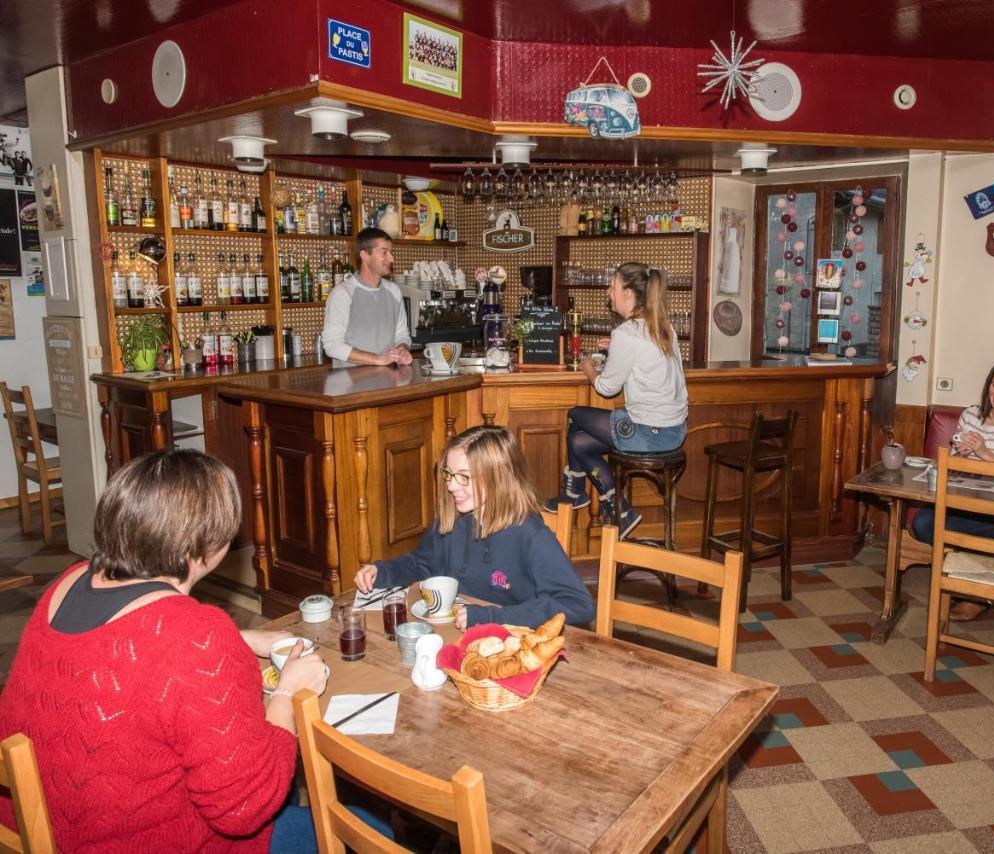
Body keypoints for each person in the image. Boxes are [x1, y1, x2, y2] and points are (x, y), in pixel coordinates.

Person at [0, 450, 335, 852]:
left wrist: (238, 639)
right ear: (211, 543)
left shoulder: (66, 584)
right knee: (358, 826)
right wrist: (287, 692)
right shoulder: (195, 637)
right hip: (146, 843)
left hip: (49, 830)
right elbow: (247, 805)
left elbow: (124, 654)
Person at [355, 425, 595, 630]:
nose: (450, 486)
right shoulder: (454, 518)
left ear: (497, 478)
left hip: (510, 641)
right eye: (448, 474)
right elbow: (423, 563)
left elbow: (579, 605)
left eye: (464, 477)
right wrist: (382, 572)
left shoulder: (531, 535)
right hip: (457, 633)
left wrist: (493, 617)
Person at [545, 262, 688, 536]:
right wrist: (618, 350)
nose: (608, 293)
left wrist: (587, 365)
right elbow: (647, 355)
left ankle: (578, 492)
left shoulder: (626, 333)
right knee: (578, 442)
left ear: (628, 293)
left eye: (612, 286)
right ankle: (615, 506)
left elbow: (607, 388)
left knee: (575, 415)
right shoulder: (661, 326)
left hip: (650, 433)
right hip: (675, 431)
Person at [910, 357, 994, 620]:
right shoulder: (971, 414)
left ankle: (969, 589)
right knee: (924, 523)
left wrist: (983, 451)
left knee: (944, 528)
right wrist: (959, 455)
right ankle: (974, 581)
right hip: (966, 499)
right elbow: (954, 465)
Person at [321, 226, 413, 367]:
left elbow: (401, 334)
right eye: (384, 252)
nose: (391, 258)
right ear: (365, 255)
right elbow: (332, 345)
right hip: (349, 385)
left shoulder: (394, 291)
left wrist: (402, 350)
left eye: (391, 252)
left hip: (386, 380)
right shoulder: (343, 294)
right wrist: (379, 359)